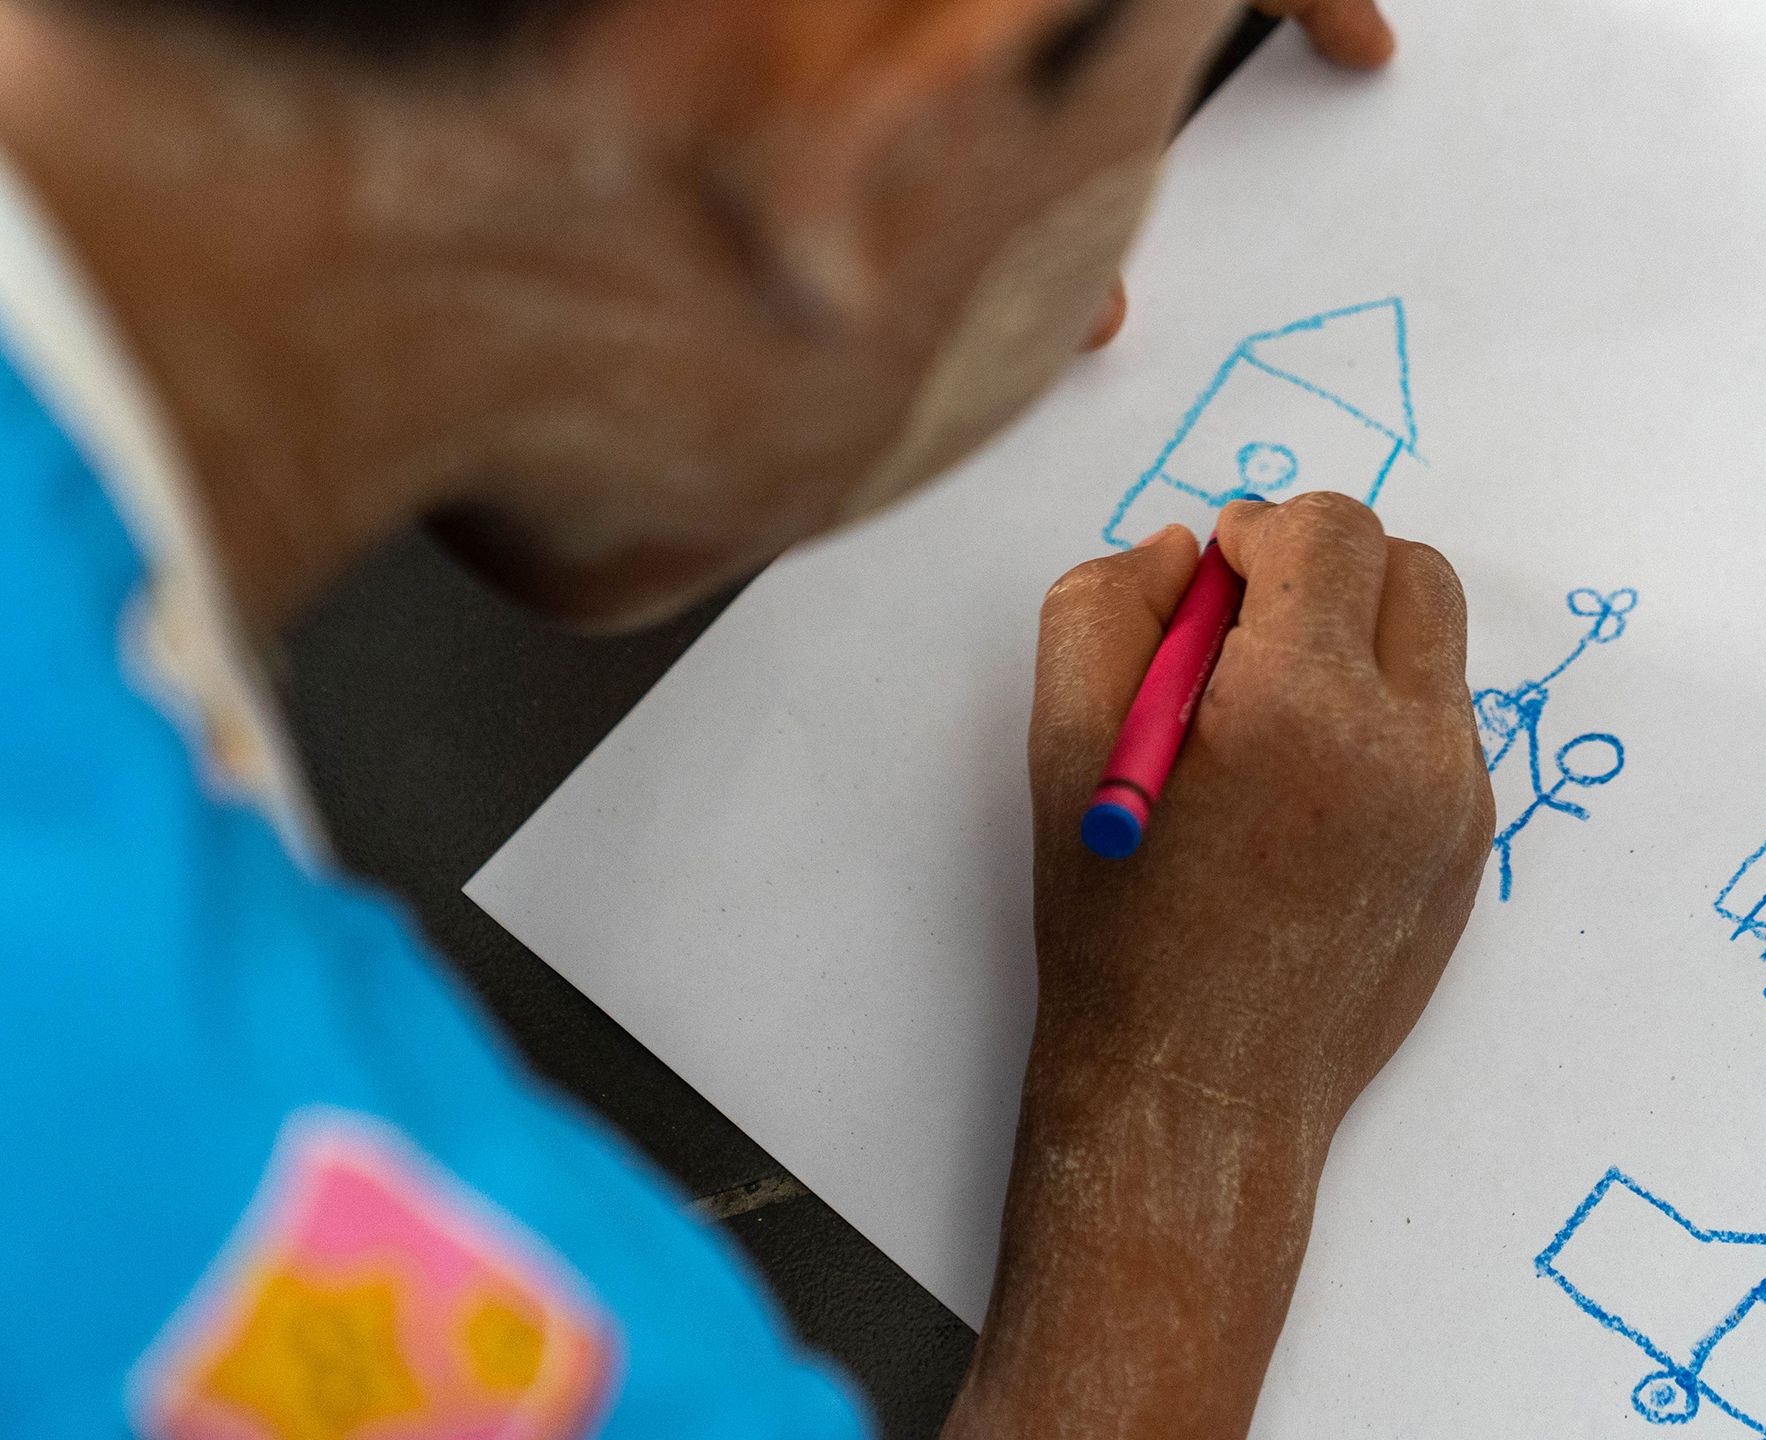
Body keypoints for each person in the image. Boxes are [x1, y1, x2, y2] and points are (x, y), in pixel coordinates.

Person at [0, 0, 1496, 1434]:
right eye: (1150, 141)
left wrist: (1035, 113)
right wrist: (1193, 1103)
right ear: (883, 117)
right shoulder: (221, 1181)